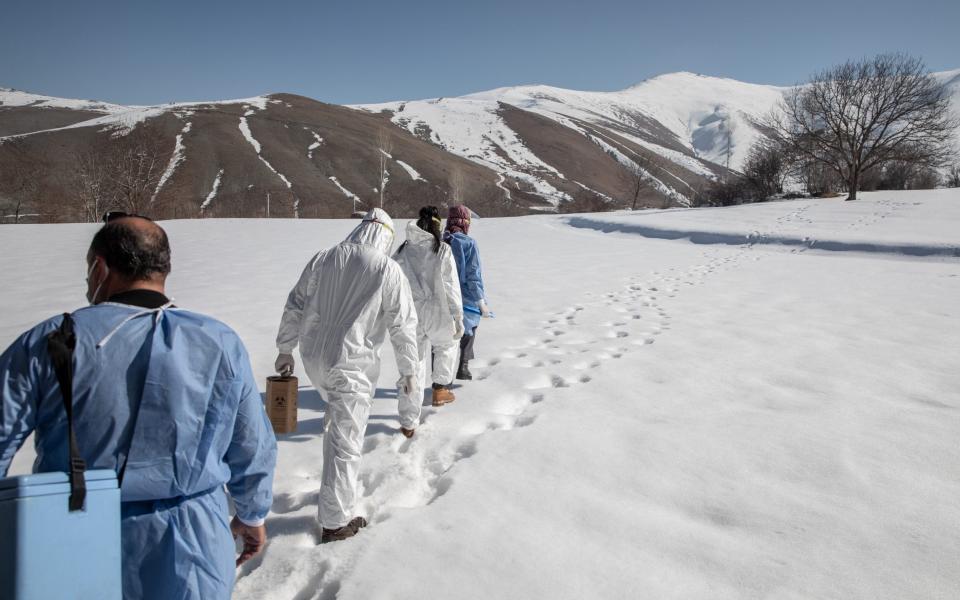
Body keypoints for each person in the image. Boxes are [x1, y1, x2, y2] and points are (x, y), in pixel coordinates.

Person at [0, 214, 277, 600]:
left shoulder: (51, 341)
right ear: (164, 268)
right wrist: (252, 514)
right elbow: (251, 442)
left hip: (71, 534)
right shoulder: (217, 341)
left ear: (99, 269)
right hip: (191, 541)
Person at [274, 208, 418, 543]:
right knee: (346, 442)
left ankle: (331, 493)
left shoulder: (324, 258)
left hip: (314, 360)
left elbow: (295, 302)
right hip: (351, 364)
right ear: (384, 235)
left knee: (335, 428)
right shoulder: (387, 269)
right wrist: (409, 370)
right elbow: (403, 327)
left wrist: (285, 348)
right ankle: (335, 522)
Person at [393, 206, 464, 407]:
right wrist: (457, 315)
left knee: (414, 358)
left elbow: (393, 281)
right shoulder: (442, 249)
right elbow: (450, 285)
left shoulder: (402, 251)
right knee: (446, 345)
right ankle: (440, 390)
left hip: (411, 312)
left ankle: (410, 405)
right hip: (438, 310)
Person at [444, 205, 490, 380]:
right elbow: (473, 274)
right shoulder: (469, 243)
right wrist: (480, 301)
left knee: (443, 338)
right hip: (466, 298)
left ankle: (441, 380)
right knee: (469, 330)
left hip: (443, 297)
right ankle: (463, 367)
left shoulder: (442, 242)